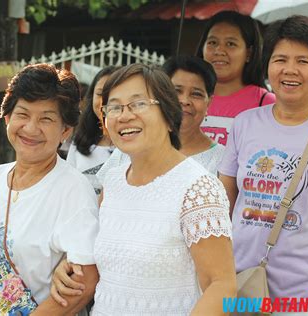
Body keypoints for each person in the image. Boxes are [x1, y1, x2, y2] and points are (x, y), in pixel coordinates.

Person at [52, 64, 236, 315]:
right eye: (114, 107)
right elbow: (101, 252)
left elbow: (222, 285)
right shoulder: (114, 181)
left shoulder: (197, 188)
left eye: (138, 103)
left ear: (169, 116)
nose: (124, 115)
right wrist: (72, 262)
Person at [0, 64, 99, 316]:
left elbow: (85, 280)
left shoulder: (73, 191)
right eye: (23, 114)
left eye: (46, 118)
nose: (31, 128)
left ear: (65, 131)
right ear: (7, 117)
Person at [218, 15, 308, 302]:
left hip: (307, 295)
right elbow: (224, 206)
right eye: (280, 59)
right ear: (267, 67)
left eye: (303, 61)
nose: (290, 70)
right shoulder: (244, 123)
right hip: (242, 285)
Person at [97, 56, 225, 183]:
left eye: (196, 94)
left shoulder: (222, 159)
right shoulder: (130, 148)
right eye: (177, 91)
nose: (185, 101)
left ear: (209, 103)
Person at [196, 11, 276, 145]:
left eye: (230, 44)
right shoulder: (184, 98)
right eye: (212, 42)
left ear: (249, 53)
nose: (219, 51)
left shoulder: (267, 105)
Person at [66, 66, 119, 195]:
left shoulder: (133, 145)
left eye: (112, 94)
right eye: (100, 93)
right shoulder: (79, 142)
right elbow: (67, 187)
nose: (104, 101)